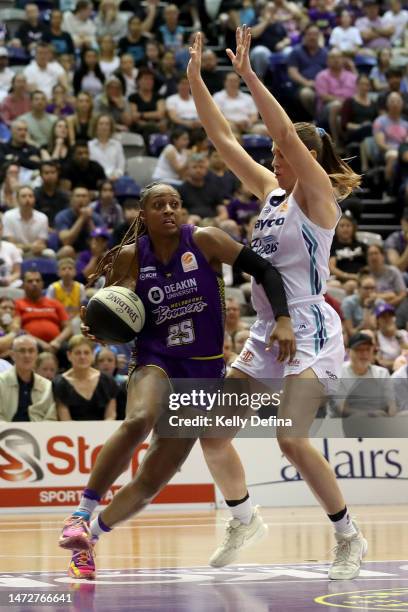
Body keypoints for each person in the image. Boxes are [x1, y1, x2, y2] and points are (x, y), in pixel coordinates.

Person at [186, 28, 366, 579]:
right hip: (268, 327)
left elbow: (283, 131)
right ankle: (244, 518)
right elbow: (222, 139)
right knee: (212, 431)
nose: (275, 156)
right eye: (275, 154)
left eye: (285, 152)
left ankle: (348, 535)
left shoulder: (320, 198)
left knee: (290, 437)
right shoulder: (272, 192)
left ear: (309, 157)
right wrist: (196, 79)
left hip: (311, 326)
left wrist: (248, 75)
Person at [58, 180, 295, 579]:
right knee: (139, 419)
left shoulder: (206, 241)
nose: (169, 210)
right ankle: (81, 513)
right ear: (143, 214)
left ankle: (90, 540)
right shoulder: (130, 257)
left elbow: (266, 270)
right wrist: (101, 328)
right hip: (156, 359)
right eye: (159, 204)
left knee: (152, 478)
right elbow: (113, 314)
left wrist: (284, 317)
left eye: (175, 203)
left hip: (203, 372)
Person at [53, 334, 118, 421]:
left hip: (104, 433)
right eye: (77, 353)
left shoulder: (108, 381)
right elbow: (65, 421)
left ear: (92, 355)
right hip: (71, 433)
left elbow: (110, 416)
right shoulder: (59, 383)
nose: (82, 357)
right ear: (69, 355)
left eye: (86, 353)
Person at [0, 335, 56, 422]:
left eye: (31, 351)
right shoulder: (1, 382)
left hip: (39, 433)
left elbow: (51, 418)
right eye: (22, 351)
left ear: (37, 355)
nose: (27, 355)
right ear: (12, 355)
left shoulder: (47, 386)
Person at [15, 270, 73, 353]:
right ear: (23, 285)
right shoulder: (17, 304)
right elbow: (17, 329)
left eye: (37, 281)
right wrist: (41, 343)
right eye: (30, 281)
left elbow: (68, 328)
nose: (34, 283)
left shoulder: (55, 303)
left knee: (70, 350)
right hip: (30, 343)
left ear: (42, 284)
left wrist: (57, 341)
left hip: (56, 345)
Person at [329, 213, 367, 283]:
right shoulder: (332, 246)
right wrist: (348, 276)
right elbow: (332, 267)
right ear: (336, 229)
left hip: (363, 278)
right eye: (342, 226)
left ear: (354, 228)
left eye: (348, 226)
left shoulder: (362, 246)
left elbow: (370, 264)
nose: (345, 229)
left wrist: (363, 275)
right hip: (341, 280)